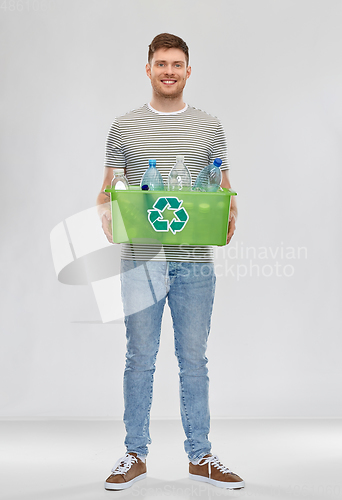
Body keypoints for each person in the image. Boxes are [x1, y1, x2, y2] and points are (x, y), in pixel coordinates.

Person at [96, 33, 244, 491]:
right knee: (139, 357)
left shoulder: (209, 126)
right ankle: (134, 453)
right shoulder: (124, 126)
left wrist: (231, 211)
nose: (168, 71)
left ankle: (200, 456)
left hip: (195, 261)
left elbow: (223, 189)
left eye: (176, 64)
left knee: (193, 359)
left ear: (188, 70)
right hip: (142, 259)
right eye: (161, 64)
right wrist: (105, 211)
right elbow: (106, 191)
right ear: (148, 69)